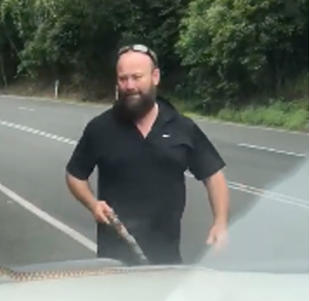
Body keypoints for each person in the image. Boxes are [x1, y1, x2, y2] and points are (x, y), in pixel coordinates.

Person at [65, 44, 230, 264]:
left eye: (136, 77)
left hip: (166, 256)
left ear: (155, 77)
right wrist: (92, 204)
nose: (130, 85)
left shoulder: (181, 127)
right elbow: (75, 174)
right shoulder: (100, 128)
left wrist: (220, 222)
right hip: (114, 260)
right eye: (123, 79)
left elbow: (213, 175)